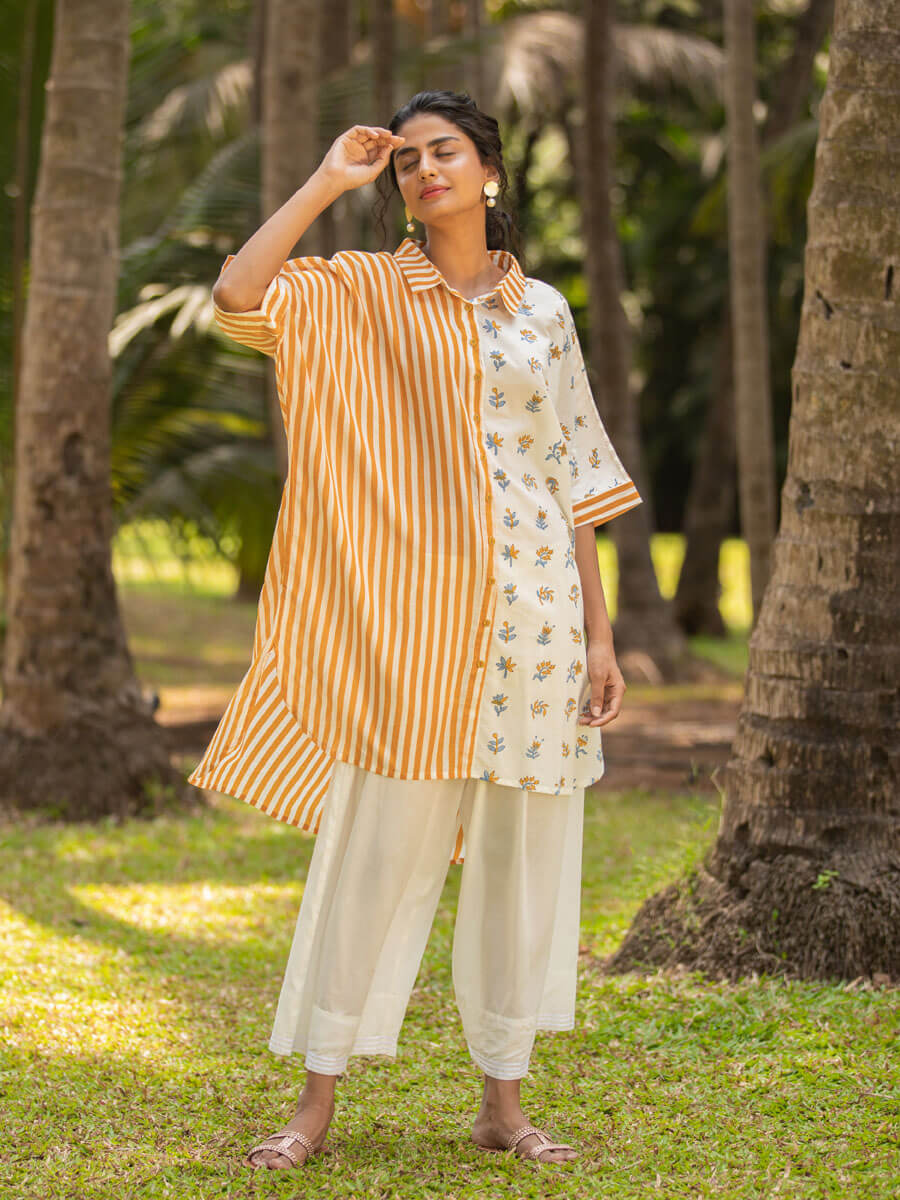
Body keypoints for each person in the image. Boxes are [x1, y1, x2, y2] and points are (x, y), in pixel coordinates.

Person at [198, 90, 642, 1171]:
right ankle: (314, 1104)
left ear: (490, 172)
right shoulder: (361, 291)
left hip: (537, 624)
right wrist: (328, 179)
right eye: (410, 161)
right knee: (374, 856)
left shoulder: (545, 311)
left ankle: (504, 1105)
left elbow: (576, 475)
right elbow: (239, 295)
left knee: (521, 869)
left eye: (447, 153)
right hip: (415, 627)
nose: (427, 170)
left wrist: (599, 635)